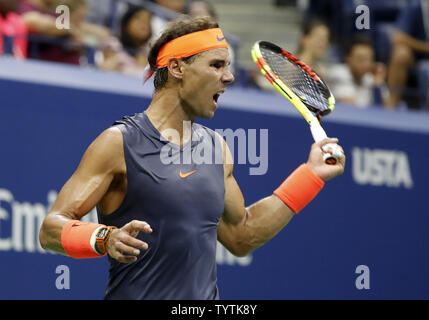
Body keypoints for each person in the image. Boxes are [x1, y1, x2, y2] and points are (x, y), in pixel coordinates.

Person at [39, 16, 345, 300]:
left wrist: (311, 174)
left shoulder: (217, 147)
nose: (229, 77)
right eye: (216, 65)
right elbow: (50, 229)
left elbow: (241, 235)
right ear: (176, 68)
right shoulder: (118, 143)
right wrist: (104, 237)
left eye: (227, 66)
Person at [385, 0, 429, 109]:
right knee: (401, 54)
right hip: (416, 56)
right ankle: (391, 106)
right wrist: (425, 47)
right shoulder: (415, 7)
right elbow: (398, 37)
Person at [326, 35, 387, 108]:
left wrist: (377, 88)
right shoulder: (338, 72)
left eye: (369, 59)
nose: (366, 64)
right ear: (348, 58)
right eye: (361, 59)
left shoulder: (372, 78)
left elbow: (388, 109)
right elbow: (348, 104)